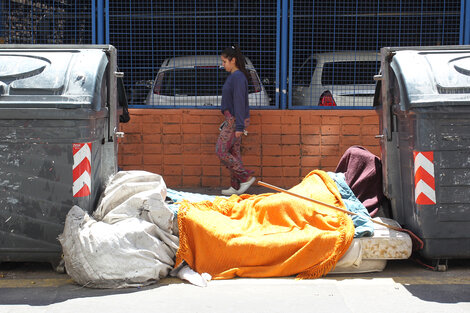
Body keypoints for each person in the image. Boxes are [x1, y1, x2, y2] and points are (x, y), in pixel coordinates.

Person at [216, 45, 255, 195]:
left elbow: (239, 102)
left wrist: (239, 126)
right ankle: (236, 186)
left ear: (233, 60)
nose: (223, 64)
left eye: (225, 61)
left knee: (221, 150)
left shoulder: (237, 77)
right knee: (234, 152)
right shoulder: (236, 77)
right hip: (233, 119)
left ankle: (245, 177)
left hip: (234, 120)